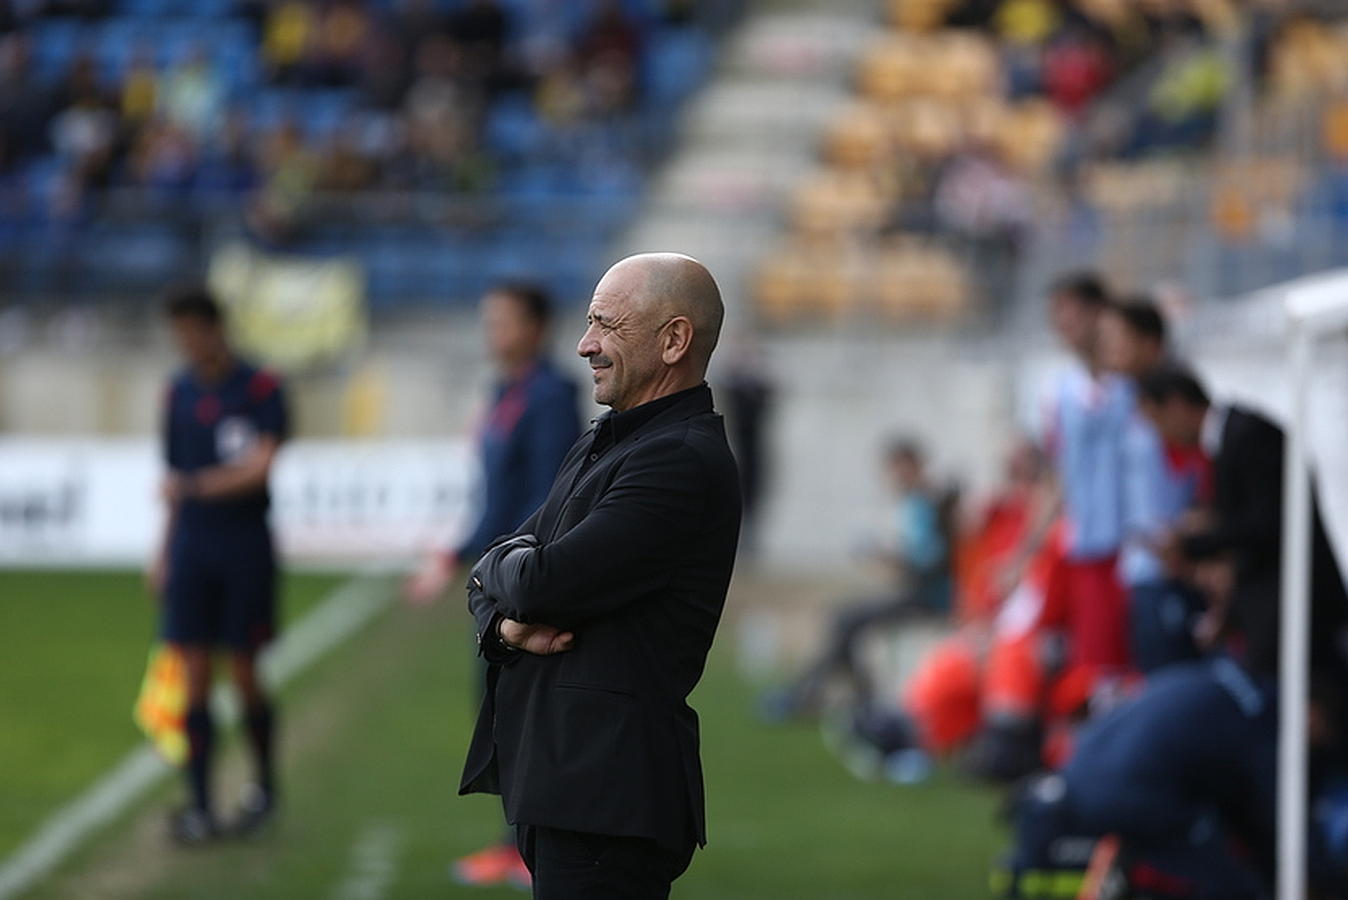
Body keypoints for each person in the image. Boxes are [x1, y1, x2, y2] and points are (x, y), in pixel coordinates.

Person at [459, 252, 741, 899]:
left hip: (608, 795)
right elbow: (499, 562)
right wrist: (505, 625)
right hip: (568, 784)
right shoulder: (608, 437)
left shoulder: (680, 460)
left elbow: (537, 581)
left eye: (606, 325)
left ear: (674, 340)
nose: (585, 344)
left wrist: (508, 578)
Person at [404, 281, 580, 889]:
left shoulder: (551, 394)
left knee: (523, 714)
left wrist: (512, 566)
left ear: (536, 326)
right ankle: (520, 845)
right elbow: (495, 497)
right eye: (489, 320)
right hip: (498, 572)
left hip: (522, 573)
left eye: (503, 320)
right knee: (502, 710)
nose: (492, 331)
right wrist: (455, 553)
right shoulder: (504, 391)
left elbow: (546, 495)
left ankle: (534, 850)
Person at [151, 285, 289, 844]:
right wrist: (162, 552)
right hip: (191, 548)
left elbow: (260, 468)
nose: (185, 343)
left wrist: (193, 486)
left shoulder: (260, 387)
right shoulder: (177, 392)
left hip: (244, 546)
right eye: (177, 334)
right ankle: (201, 805)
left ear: (214, 329)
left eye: (192, 332)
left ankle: (262, 788)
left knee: (244, 672)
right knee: (193, 676)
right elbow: (172, 490)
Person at [1137, 366, 1348, 676]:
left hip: (1301, 608)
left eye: (1157, 422)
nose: (1161, 437)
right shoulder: (1231, 439)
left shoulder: (1249, 435)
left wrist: (1192, 543)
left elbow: (1268, 522)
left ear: (1177, 404)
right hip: (1278, 609)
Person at [762, 438, 954, 719]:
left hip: (930, 598)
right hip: (917, 593)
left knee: (846, 620)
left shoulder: (929, 503)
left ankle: (814, 695)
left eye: (899, 467)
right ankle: (850, 696)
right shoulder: (919, 502)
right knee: (845, 620)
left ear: (915, 465)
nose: (895, 476)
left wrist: (887, 556)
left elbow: (931, 560)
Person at [1097, 296, 1206, 672]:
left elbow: (1200, 477)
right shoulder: (1126, 400)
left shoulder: (1175, 406)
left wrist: (1187, 540)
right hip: (1140, 570)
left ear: (1149, 342)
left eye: (1116, 338)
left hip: (1170, 575)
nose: (1107, 349)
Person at [1039, 271, 1132, 673]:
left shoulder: (1135, 383)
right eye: (1056, 315)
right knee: (1097, 666)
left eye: (1069, 312)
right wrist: (1026, 552)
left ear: (1099, 313)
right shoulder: (1060, 392)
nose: (1062, 325)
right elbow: (1059, 476)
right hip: (1089, 547)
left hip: (1139, 548)